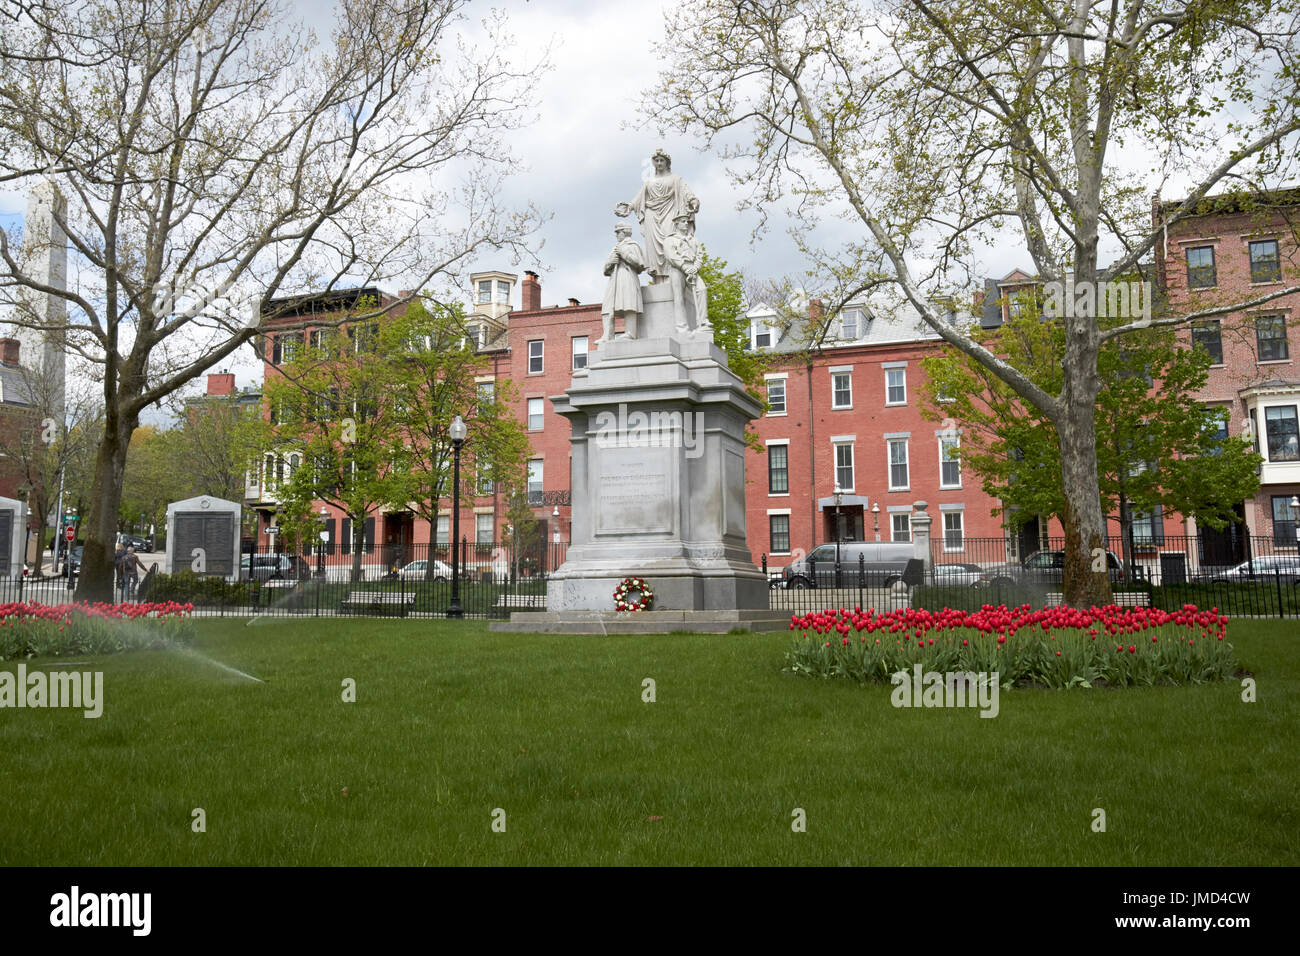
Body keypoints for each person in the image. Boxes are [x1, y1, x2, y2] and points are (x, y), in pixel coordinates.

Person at [615, 148, 699, 281]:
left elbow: (686, 192)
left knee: (670, 243)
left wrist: (693, 201)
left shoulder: (676, 179)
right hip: (651, 216)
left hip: (670, 214)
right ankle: (658, 281)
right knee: (654, 251)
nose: (659, 163)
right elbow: (639, 197)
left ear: (667, 163)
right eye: (657, 161)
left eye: (662, 161)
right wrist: (629, 207)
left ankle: (674, 278)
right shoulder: (649, 181)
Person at [600, 222, 646, 342]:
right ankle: (607, 335)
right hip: (614, 279)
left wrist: (624, 253)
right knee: (607, 306)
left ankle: (630, 332)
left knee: (628, 303)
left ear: (624, 232)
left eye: (618, 232)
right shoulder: (616, 248)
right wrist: (610, 262)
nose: (616, 235)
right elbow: (605, 269)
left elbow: (640, 263)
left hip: (628, 276)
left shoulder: (633, 245)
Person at [663, 214, 710, 333]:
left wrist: (695, 267)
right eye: (683, 221)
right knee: (678, 297)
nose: (686, 223)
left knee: (702, 289)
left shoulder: (693, 240)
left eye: (687, 221)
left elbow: (700, 256)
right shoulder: (670, 240)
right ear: (676, 224)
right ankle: (682, 327)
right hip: (677, 269)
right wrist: (684, 267)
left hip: (692, 268)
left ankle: (703, 321)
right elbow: (671, 256)